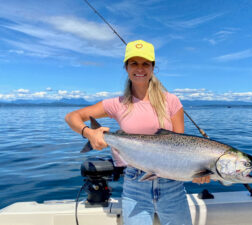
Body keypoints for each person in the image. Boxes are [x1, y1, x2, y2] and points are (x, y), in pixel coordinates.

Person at [65, 40, 210, 225]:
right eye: (134, 63)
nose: (139, 68)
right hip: (135, 185)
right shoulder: (116, 104)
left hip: (172, 186)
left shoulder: (172, 101)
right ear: (126, 67)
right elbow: (72, 117)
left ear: (153, 67)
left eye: (145, 63)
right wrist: (89, 133)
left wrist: (197, 172)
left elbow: (181, 146)